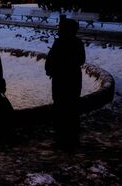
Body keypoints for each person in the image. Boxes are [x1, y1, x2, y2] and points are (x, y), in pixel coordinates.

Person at [45, 18, 85, 149]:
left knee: (61, 105)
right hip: (73, 78)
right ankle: (72, 136)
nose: (58, 31)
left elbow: (51, 60)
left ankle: (61, 136)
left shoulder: (60, 43)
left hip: (61, 79)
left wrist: (52, 70)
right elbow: (81, 59)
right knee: (72, 105)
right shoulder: (77, 42)